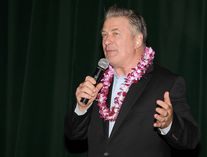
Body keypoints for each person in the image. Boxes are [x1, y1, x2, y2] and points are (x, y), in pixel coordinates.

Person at [64, 5, 199, 157]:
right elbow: (74, 135)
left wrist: (169, 124)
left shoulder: (166, 83)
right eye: (104, 34)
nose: (107, 41)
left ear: (137, 40)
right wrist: (81, 108)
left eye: (115, 33)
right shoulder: (97, 82)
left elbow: (191, 139)